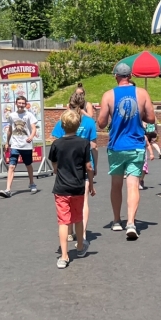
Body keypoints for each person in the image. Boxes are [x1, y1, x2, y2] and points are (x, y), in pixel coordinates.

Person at [97, 62, 153, 240]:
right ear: (130, 76)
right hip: (135, 144)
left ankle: (115, 221)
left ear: (116, 76)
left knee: (116, 185)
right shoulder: (142, 93)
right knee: (133, 185)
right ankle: (131, 222)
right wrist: (139, 114)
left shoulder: (108, 95)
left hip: (116, 146)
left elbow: (101, 123)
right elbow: (151, 118)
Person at [49, 109, 95, 269]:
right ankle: (81, 247)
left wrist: (57, 170)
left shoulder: (56, 144)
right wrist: (92, 184)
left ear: (62, 125)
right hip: (78, 186)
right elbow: (88, 166)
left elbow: (54, 164)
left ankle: (64, 256)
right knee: (78, 218)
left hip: (61, 187)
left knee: (63, 221)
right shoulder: (84, 143)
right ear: (78, 125)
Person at [51, 91, 98, 239]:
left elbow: (56, 144)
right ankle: (82, 233)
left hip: (65, 166)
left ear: (68, 105)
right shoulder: (89, 122)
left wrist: (56, 167)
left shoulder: (63, 121)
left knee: (66, 201)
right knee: (82, 201)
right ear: (84, 105)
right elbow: (94, 146)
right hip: (83, 164)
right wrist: (94, 166)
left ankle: (69, 232)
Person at [0, 94, 39, 198]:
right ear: (16, 104)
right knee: (11, 166)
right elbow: (10, 130)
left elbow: (34, 128)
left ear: (25, 104)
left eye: (23, 103)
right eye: (19, 103)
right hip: (15, 145)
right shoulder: (12, 115)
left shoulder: (29, 115)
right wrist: (7, 142)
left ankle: (32, 183)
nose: (21, 105)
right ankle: (8, 189)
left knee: (28, 165)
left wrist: (31, 136)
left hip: (26, 145)